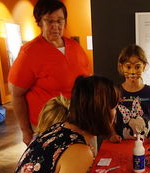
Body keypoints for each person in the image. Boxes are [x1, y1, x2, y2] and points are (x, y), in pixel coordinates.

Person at [9, 0, 90, 145]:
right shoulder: (29, 52)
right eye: (49, 21)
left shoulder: (75, 47)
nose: (55, 27)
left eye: (60, 21)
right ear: (39, 22)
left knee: (83, 162)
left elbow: (87, 82)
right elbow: (16, 94)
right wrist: (26, 131)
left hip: (79, 122)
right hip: (48, 127)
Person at [109, 44, 150, 143]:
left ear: (144, 66)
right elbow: (109, 118)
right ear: (121, 67)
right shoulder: (115, 91)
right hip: (122, 144)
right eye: (128, 67)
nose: (133, 71)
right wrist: (113, 134)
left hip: (145, 143)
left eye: (137, 67)